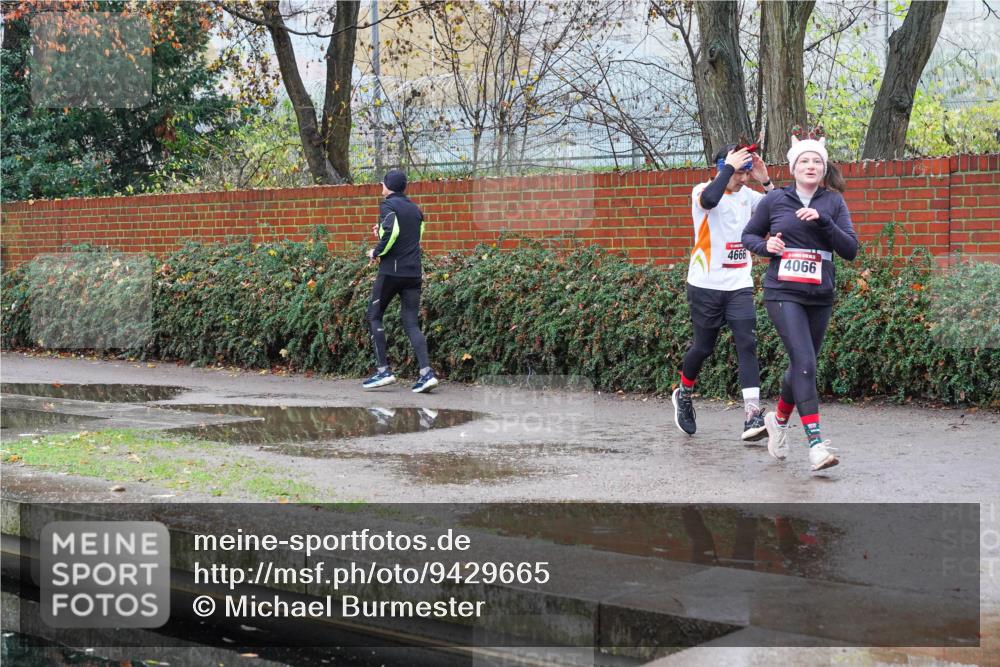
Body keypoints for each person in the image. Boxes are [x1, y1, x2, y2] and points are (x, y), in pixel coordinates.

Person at [741, 133, 858, 472]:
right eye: (804, 161)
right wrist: (766, 247)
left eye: (817, 161)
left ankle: (778, 421)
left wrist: (824, 221)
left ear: (824, 168)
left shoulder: (833, 202)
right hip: (783, 292)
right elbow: (749, 235)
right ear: (793, 168)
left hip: (820, 295)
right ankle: (816, 445)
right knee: (805, 362)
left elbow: (850, 250)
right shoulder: (775, 200)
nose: (810, 166)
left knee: (800, 365)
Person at [672, 141, 775, 442]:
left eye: (746, 172)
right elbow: (709, 201)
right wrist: (728, 168)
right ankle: (684, 393)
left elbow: (783, 209)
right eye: (738, 172)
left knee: (747, 343)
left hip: (739, 284)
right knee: (703, 347)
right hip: (705, 283)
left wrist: (765, 181)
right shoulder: (702, 190)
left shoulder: (748, 196)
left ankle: (752, 415)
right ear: (722, 168)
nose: (742, 179)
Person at [362, 169, 439, 393]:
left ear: (388, 186)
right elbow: (412, 237)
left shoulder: (388, 205)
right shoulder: (416, 209)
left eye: (383, 183)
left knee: (374, 315)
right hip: (413, 273)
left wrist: (375, 252)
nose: (381, 186)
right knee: (411, 322)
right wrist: (381, 232)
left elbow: (393, 234)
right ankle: (426, 374)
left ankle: (383, 371)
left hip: (391, 273)